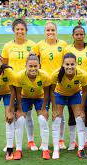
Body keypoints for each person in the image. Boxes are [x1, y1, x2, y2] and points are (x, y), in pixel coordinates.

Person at [2, 18, 38, 151]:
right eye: (17, 29)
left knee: (27, 114)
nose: (20, 31)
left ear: (26, 30)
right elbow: (4, 66)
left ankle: (31, 141)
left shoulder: (32, 45)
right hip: (12, 86)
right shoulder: (7, 46)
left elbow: (35, 65)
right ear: (13, 30)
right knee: (11, 113)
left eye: (22, 29)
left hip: (27, 84)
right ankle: (10, 143)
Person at [34, 22, 68, 150]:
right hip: (44, 84)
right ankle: (44, 141)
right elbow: (34, 63)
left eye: (52, 30)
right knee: (44, 112)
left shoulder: (63, 45)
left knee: (59, 112)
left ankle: (60, 139)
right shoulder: (39, 46)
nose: (50, 32)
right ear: (44, 31)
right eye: (48, 30)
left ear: (56, 31)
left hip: (59, 83)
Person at [10, 55, 51, 160]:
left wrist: (43, 109)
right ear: (26, 66)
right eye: (30, 66)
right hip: (24, 98)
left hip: (40, 97)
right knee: (20, 120)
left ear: (39, 66)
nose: (33, 68)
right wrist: (19, 109)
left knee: (43, 119)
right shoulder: (19, 76)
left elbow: (47, 94)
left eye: (35, 66)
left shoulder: (45, 76)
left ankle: (45, 149)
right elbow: (18, 94)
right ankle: (18, 150)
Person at [50, 53, 87, 159]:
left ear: (76, 64)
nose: (70, 67)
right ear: (63, 64)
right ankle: (56, 149)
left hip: (75, 94)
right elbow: (51, 91)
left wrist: (81, 109)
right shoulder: (56, 74)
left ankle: (81, 149)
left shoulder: (82, 74)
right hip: (60, 94)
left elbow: (85, 92)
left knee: (80, 119)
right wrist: (54, 109)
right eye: (67, 64)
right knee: (56, 119)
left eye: (72, 64)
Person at [64, 25, 87, 150]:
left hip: (86, 86)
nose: (79, 36)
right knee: (72, 114)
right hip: (71, 86)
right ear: (73, 36)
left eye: (81, 34)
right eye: (76, 34)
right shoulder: (68, 49)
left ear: (84, 35)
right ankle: (73, 141)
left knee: (86, 113)